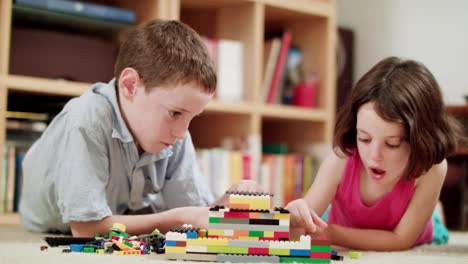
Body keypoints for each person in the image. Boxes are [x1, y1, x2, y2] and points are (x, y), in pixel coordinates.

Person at [19, 19, 261, 237]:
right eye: (175, 113)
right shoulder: (86, 118)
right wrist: (180, 218)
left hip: (119, 213)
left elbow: (195, 215)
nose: (181, 132)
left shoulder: (175, 132)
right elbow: (84, 228)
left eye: (191, 117)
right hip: (49, 225)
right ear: (130, 85)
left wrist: (224, 205)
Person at [286, 57, 464, 251]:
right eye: (364, 139)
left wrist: (331, 233)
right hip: (344, 221)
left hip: (408, 230)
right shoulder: (341, 160)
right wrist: (294, 218)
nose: (374, 156)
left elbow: (400, 240)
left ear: (421, 141)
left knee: (436, 227)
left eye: (392, 144)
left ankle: (434, 211)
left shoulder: (432, 168)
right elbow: (299, 229)